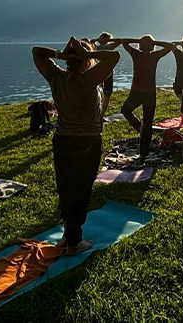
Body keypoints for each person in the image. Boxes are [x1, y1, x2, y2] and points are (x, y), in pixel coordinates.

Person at [32, 37, 119, 255]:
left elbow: (36, 51)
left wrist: (62, 55)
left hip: (62, 140)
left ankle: (67, 234)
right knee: (80, 191)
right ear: (85, 61)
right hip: (86, 142)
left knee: (66, 187)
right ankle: (74, 243)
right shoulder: (88, 80)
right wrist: (87, 54)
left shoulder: (56, 77)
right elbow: (114, 56)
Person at [118, 35, 174, 157]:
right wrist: (140, 41)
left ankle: (144, 153)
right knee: (125, 110)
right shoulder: (135, 53)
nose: (147, 44)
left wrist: (152, 41)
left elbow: (170, 46)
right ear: (141, 45)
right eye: (144, 42)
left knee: (148, 122)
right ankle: (139, 128)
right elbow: (124, 41)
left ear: (152, 45)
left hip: (149, 93)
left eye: (149, 43)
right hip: (137, 92)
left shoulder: (155, 55)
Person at [89, 32, 121, 119]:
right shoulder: (96, 47)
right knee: (102, 94)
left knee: (106, 94)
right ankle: (98, 114)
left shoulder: (108, 47)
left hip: (106, 74)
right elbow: (89, 42)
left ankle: (101, 115)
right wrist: (96, 40)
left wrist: (108, 40)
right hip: (100, 73)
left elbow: (119, 41)